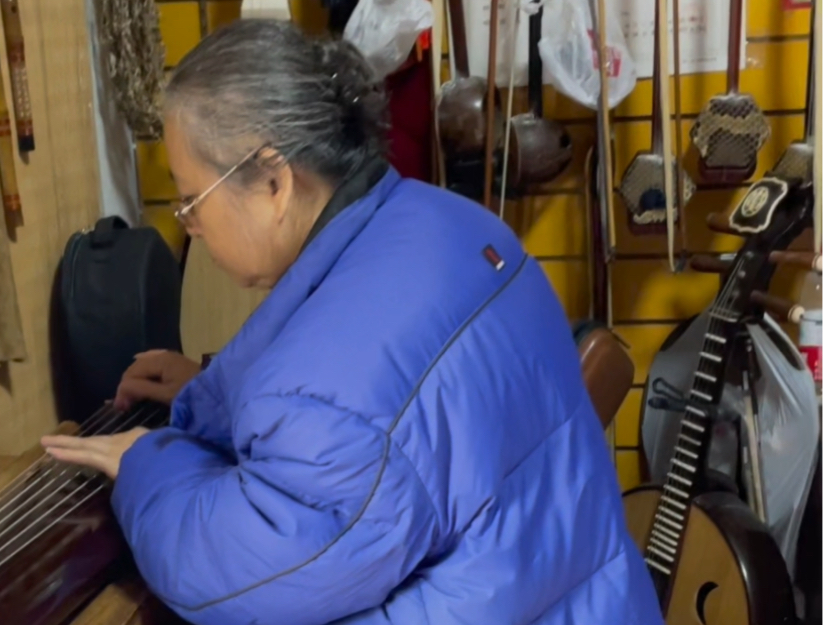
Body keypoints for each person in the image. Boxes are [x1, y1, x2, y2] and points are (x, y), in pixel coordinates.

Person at [42, 19, 663, 625]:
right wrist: (214, 392)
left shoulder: (329, 396)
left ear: (274, 181)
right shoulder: (455, 222)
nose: (189, 226)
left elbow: (230, 574)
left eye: (191, 200)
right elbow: (393, 404)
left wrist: (147, 464)